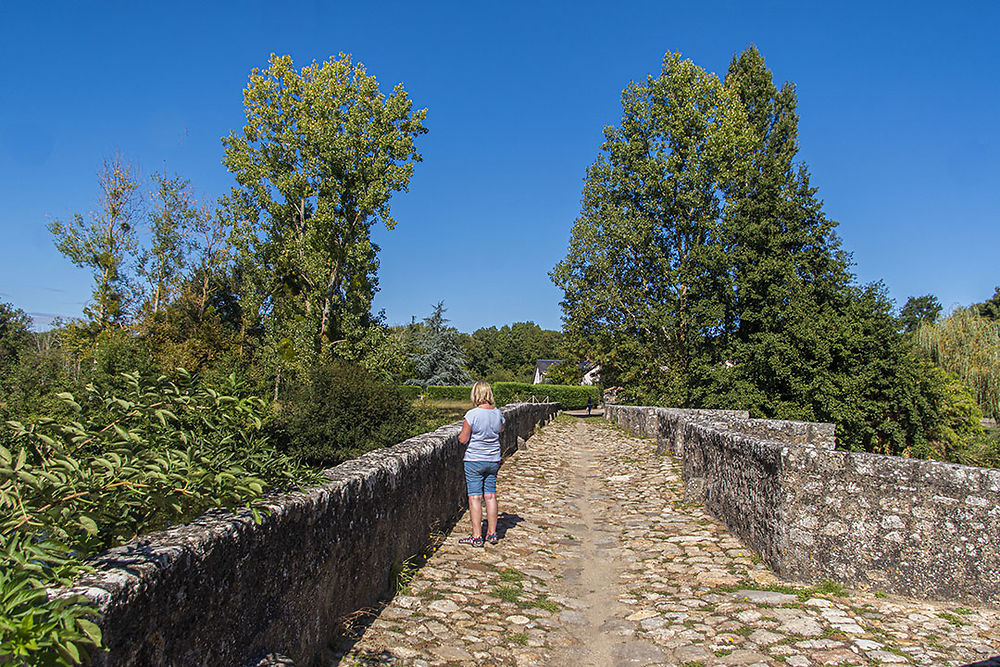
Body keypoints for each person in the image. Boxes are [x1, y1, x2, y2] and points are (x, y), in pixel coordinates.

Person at [457, 381, 505, 547]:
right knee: (490, 496)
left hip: (474, 460)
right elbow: (501, 429)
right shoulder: (497, 413)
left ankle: (477, 537)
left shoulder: (472, 415)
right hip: (493, 459)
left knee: (475, 497)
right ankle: (492, 534)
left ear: (475, 395)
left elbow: (463, 438)